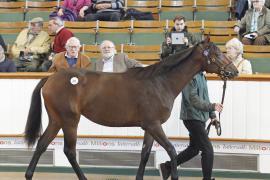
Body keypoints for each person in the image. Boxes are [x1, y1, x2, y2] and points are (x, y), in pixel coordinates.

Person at [159, 72, 223, 180]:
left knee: (194, 149)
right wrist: (212, 106)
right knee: (208, 150)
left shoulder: (202, 76)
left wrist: (213, 116)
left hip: (199, 118)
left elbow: (205, 98)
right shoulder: (190, 76)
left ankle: (168, 167)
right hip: (192, 118)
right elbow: (193, 100)